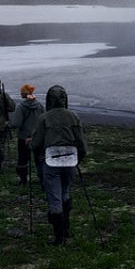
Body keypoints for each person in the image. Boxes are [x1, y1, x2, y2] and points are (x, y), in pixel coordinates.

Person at [30, 85, 87, 246]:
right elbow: (82, 143)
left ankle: (59, 237)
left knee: (54, 197)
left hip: (51, 161)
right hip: (70, 160)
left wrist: (31, 146)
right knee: (65, 191)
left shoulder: (44, 117)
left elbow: (36, 143)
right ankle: (66, 229)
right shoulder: (73, 116)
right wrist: (78, 159)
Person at [9, 84, 44, 187]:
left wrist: (9, 125)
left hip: (23, 137)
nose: (20, 93)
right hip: (37, 136)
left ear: (25, 93)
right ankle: (42, 179)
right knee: (39, 158)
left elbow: (16, 123)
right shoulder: (40, 105)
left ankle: (23, 180)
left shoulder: (21, 107)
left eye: (21, 92)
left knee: (23, 159)